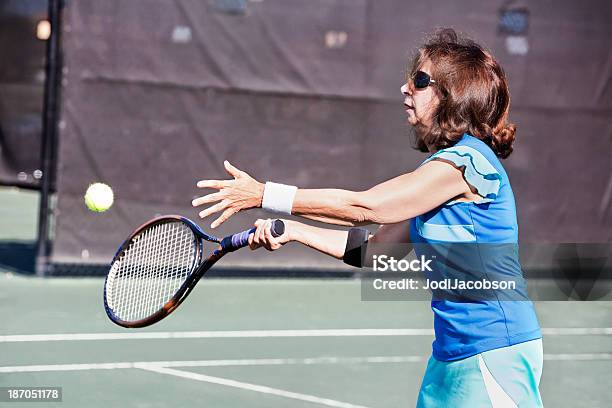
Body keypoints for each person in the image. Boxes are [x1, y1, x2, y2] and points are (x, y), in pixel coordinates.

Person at [192, 28, 543, 407]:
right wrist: (294, 231)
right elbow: (375, 254)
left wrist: (266, 195)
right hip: (452, 354)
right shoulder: (438, 174)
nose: (406, 87)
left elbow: (367, 207)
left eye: (421, 80)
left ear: (452, 96)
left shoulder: (465, 164)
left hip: (494, 352)